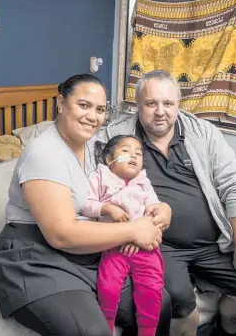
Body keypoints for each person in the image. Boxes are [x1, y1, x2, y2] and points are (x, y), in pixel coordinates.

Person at [0, 74, 172, 336]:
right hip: (35, 254)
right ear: (61, 103)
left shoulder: (95, 147)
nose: (93, 117)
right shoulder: (44, 153)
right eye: (83, 105)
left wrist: (161, 208)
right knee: (92, 332)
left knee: (161, 303)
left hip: (87, 247)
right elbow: (61, 235)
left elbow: (126, 185)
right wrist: (133, 231)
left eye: (99, 110)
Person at [95, 70, 236, 336]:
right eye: (151, 103)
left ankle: (224, 331)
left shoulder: (203, 133)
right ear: (137, 104)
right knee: (182, 307)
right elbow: (97, 182)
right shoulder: (115, 138)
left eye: (168, 103)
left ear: (179, 103)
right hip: (159, 245)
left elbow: (235, 184)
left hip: (211, 244)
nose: (160, 111)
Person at [81, 135, 166, 336]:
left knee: (152, 289)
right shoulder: (100, 177)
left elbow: (154, 210)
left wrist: (142, 233)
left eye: (138, 154)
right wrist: (107, 208)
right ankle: (107, 323)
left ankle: (147, 330)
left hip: (144, 248)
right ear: (109, 158)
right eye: (125, 151)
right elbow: (85, 204)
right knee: (108, 287)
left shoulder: (143, 182)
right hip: (113, 245)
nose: (133, 156)